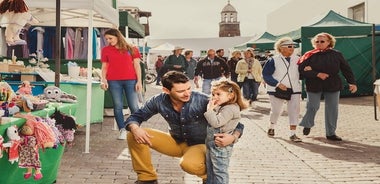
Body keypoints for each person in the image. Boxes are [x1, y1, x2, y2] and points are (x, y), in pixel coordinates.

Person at [124, 71, 244, 184]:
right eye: (181, 91)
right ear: (166, 90)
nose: (187, 93)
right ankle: (147, 179)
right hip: (175, 141)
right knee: (133, 133)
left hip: (199, 145)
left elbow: (237, 123)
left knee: (189, 165)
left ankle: (209, 178)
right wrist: (135, 128)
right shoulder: (158, 100)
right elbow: (136, 116)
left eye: (188, 88)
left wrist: (233, 137)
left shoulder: (203, 100)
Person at [298, 32, 357, 141]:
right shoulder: (308, 55)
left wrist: (352, 82)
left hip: (333, 84)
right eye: (317, 41)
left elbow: (346, 69)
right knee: (313, 106)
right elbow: (300, 71)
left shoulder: (336, 54)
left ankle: (331, 133)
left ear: (329, 42)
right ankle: (307, 123)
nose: (319, 43)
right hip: (314, 84)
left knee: (332, 109)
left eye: (322, 41)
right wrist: (316, 74)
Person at [100, 28, 142, 140]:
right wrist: (103, 79)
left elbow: (137, 66)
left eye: (110, 38)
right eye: (107, 39)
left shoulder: (132, 48)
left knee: (134, 106)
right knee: (117, 106)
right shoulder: (106, 50)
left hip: (130, 80)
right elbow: (104, 67)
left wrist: (139, 81)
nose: (109, 41)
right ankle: (122, 129)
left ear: (118, 36)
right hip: (113, 81)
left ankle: (136, 128)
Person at [204, 79, 248, 184]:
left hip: (220, 146)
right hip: (212, 144)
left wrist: (209, 111)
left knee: (219, 172)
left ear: (231, 95)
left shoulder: (230, 108)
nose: (214, 97)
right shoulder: (224, 106)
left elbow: (216, 122)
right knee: (210, 171)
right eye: (213, 94)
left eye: (218, 94)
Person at [262, 37, 302, 142]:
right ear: (281, 48)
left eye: (293, 46)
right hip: (276, 89)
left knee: (294, 110)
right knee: (276, 111)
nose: (292, 48)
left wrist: (307, 69)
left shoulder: (298, 59)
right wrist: (277, 84)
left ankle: (293, 134)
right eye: (289, 46)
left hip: (294, 88)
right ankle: (272, 126)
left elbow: (302, 73)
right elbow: (266, 75)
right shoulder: (273, 60)